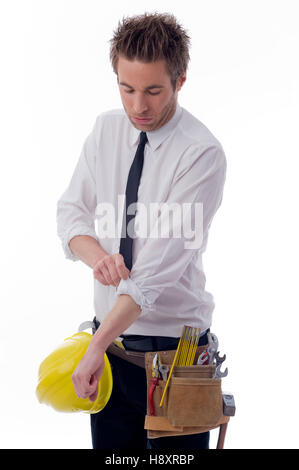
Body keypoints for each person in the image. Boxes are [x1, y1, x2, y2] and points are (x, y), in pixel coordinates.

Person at [56, 12, 227, 450]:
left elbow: (151, 276)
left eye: (153, 90)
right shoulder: (105, 130)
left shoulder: (201, 154)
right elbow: (71, 213)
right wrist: (101, 257)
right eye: (126, 89)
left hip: (175, 359)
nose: (138, 107)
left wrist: (95, 345)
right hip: (112, 353)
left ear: (180, 80)